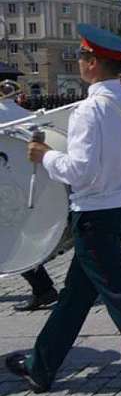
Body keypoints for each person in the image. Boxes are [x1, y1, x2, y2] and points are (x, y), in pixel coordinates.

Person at [4, 24, 121, 396]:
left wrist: (45, 155)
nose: (80, 61)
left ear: (91, 63)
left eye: (83, 56)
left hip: (94, 214)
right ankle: (41, 364)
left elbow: (79, 171)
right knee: (76, 295)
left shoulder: (91, 110)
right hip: (119, 209)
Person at [0, 78, 60, 312]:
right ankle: (43, 288)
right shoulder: (29, 115)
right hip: (21, 181)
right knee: (11, 235)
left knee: (8, 238)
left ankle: (43, 288)